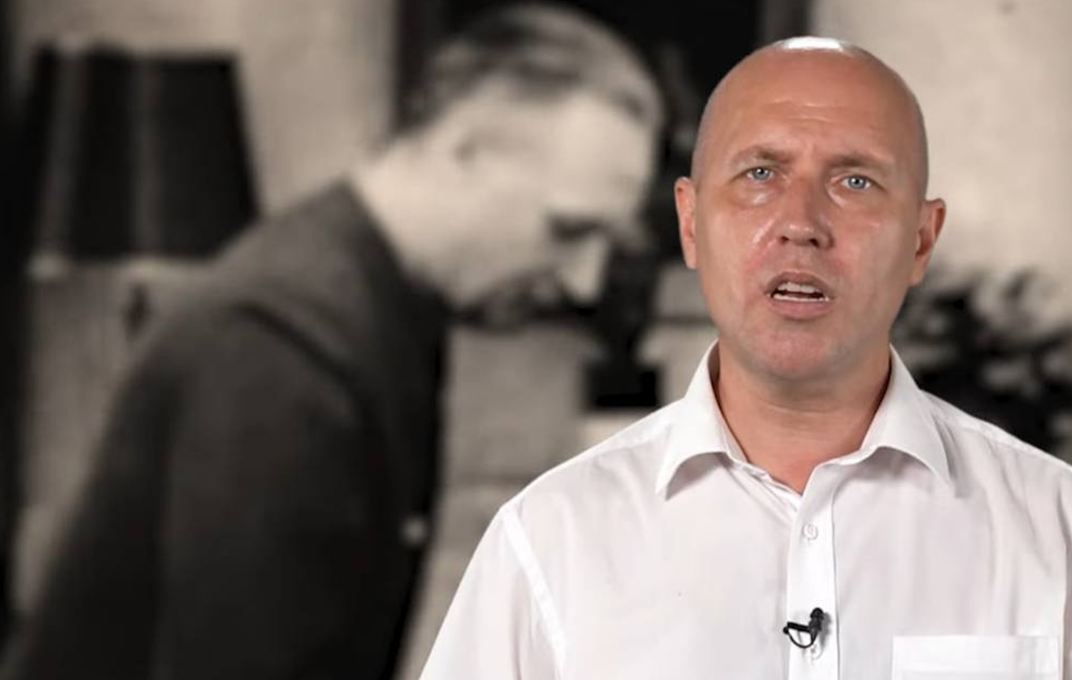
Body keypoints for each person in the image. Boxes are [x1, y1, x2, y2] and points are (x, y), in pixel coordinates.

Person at [418, 38, 1072, 679]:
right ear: (691, 223)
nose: (801, 223)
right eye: (760, 175)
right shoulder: (551, 539)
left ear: (921, 240)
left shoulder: (1055, 527)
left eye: (855, 181)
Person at [0, 5, 661, 680]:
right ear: (465, 150)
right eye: (568, 230)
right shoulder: (282, 350)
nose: (584, 281)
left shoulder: (381, 306)